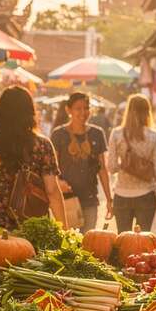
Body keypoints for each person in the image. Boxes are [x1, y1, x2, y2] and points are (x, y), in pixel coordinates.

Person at [0, 86, 66, 230]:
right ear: (30, 112)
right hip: (32, 221)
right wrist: (64, 230)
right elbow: (52, 191)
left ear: (1, 112)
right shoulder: (42, 145)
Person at [50, 92, 112, 232]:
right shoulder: (58, 135)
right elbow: (52, 167)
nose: (83, 112)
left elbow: (102, 168)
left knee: (89, 240)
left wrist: (109, 199)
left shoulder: (97, 133)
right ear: (68, 110)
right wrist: (59, 182)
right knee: (68, 239)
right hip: (66, 199)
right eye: (78, 108)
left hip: (90, 199)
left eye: (86, 108)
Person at [108, 94, 156, 233]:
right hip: (146, 195)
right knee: (143, 241)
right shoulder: (154, 136)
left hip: (121, 194)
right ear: (147, 112)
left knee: (123, 240)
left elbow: (112, 168)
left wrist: (124, 165)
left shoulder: (116, 134)